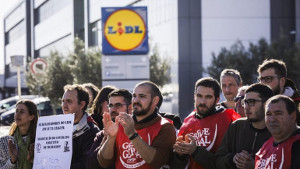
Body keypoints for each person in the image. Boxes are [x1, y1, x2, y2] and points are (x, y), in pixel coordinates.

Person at [98, 81, 176, 169]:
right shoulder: (120, 123)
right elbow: (104, 162)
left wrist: (132, 134)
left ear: (155, 100)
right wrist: (111, 137)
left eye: (142, 96)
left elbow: (157, 162)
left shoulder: (165, 126)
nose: (135, 100)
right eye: (134, 96)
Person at [171, 77, 240, 169]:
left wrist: (195, 151)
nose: (202, 102)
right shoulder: (188, 122)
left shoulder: (229, 119)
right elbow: (177, 166)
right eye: (199, 96)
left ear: (217, 100)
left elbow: (228, 163)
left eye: (208, 97)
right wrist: (180, 156)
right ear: (194, 96)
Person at [212, 83, 273, 169]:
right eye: (245, 102)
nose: (246, 107)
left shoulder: (278, 131)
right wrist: (234, 159)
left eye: (251, 102)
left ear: (267, 103)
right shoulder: (237, 125)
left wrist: (256, 165)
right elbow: (218, 160)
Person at [86, 89, 132, 169]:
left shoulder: (140, 130)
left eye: (118, 105)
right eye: (110, 105)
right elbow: (91, 164)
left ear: (130, 107)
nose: (113, 109)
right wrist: (106, 138)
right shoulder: (103, 133)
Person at [255, 95, 300, 169]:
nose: (272, 119)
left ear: (293, 116)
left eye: (278, 113)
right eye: (268, 114)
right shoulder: (264, 147)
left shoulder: (297, 144)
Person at [62, 84, 99, 169]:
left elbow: (88, 164)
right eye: (63, 101)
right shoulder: (58, 129)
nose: (64, 105)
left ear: (82, 104)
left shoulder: (92, 131)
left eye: (69, 101)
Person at [0, 99, 38, 169]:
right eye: (16, 111)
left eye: (22, 112)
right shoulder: (3, 142)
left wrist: (33, 161)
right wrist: (12, 161)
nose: (17, 114)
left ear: (31, 117)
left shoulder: (38, 141)